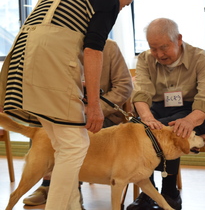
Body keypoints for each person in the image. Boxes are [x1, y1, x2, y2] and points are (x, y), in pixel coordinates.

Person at [0, 0, 134, 210]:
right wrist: (94, 105)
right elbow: (92, 50)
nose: (123, 7)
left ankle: (71, 205)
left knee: (63, 145)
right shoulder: (110, 0)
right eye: (127, 4)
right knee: (75, 145)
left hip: (22, 53)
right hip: (48, 54)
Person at [22, 39, 133, 207]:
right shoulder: (59, 45)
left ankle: (69, 190)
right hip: (66, 112)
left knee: (75, 136)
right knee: (43, 130)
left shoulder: (109, 47)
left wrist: (96, 108)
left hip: (103, 115)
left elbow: (124, 86)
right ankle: (48, 183)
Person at [127, 18, 205, 210]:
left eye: (164, 47)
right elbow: (141, 94)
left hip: (195, 111)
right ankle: (148, 193)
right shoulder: (145, 59)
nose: (159, 54)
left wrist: (189, 121)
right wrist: (147, 119)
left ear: (178, 39)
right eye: (153, 48)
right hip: (159, 109)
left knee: (172, 129)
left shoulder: (201, 58)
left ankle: (170, 193)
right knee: (139, 129)